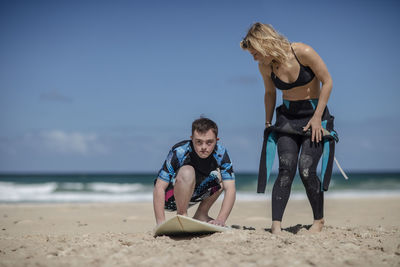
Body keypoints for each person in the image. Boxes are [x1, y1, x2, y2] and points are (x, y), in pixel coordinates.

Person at [240, 22, 338, 234]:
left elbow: (327, 81)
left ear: (265, 44)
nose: (254, 58)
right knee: (286, 168)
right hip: (287, 119)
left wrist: (317, 117)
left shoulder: (303, 52)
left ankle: (319, 220)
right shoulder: (265, 66)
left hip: (314, 116)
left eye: (255, 53)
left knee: (306, 168)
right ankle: (276, 225)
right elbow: (270, 93)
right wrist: (268, 123)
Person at [153, 117, 236, 227]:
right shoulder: (180, 151)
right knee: (187, 171)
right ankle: (182, 216)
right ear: (192, 139)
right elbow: (159, 186)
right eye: (199, 142)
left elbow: (230, 188)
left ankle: (201, 215)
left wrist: (221, 220)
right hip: (170, 198)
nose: (203, 147)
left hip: (194, 194)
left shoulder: (221, 153)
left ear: (217, 140)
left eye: (209, 142)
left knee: (222, 178)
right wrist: (160, 223)